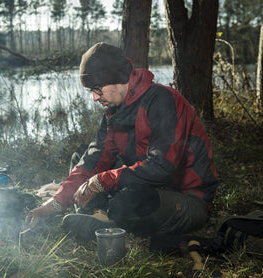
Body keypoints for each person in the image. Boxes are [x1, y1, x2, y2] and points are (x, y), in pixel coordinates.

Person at [25, 42, 218, 241]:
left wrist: (103, 181)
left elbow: (161, 168)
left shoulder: (163, 100)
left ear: (117, 78)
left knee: (130, 200)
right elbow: (94, 159)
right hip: (145, 187)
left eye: (98, 89)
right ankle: (99, 215)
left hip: (185, 198)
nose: (94, 98)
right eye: (91, 90)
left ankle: (107, 222)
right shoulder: (113, 111)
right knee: (82, 157)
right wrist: (52, 206)